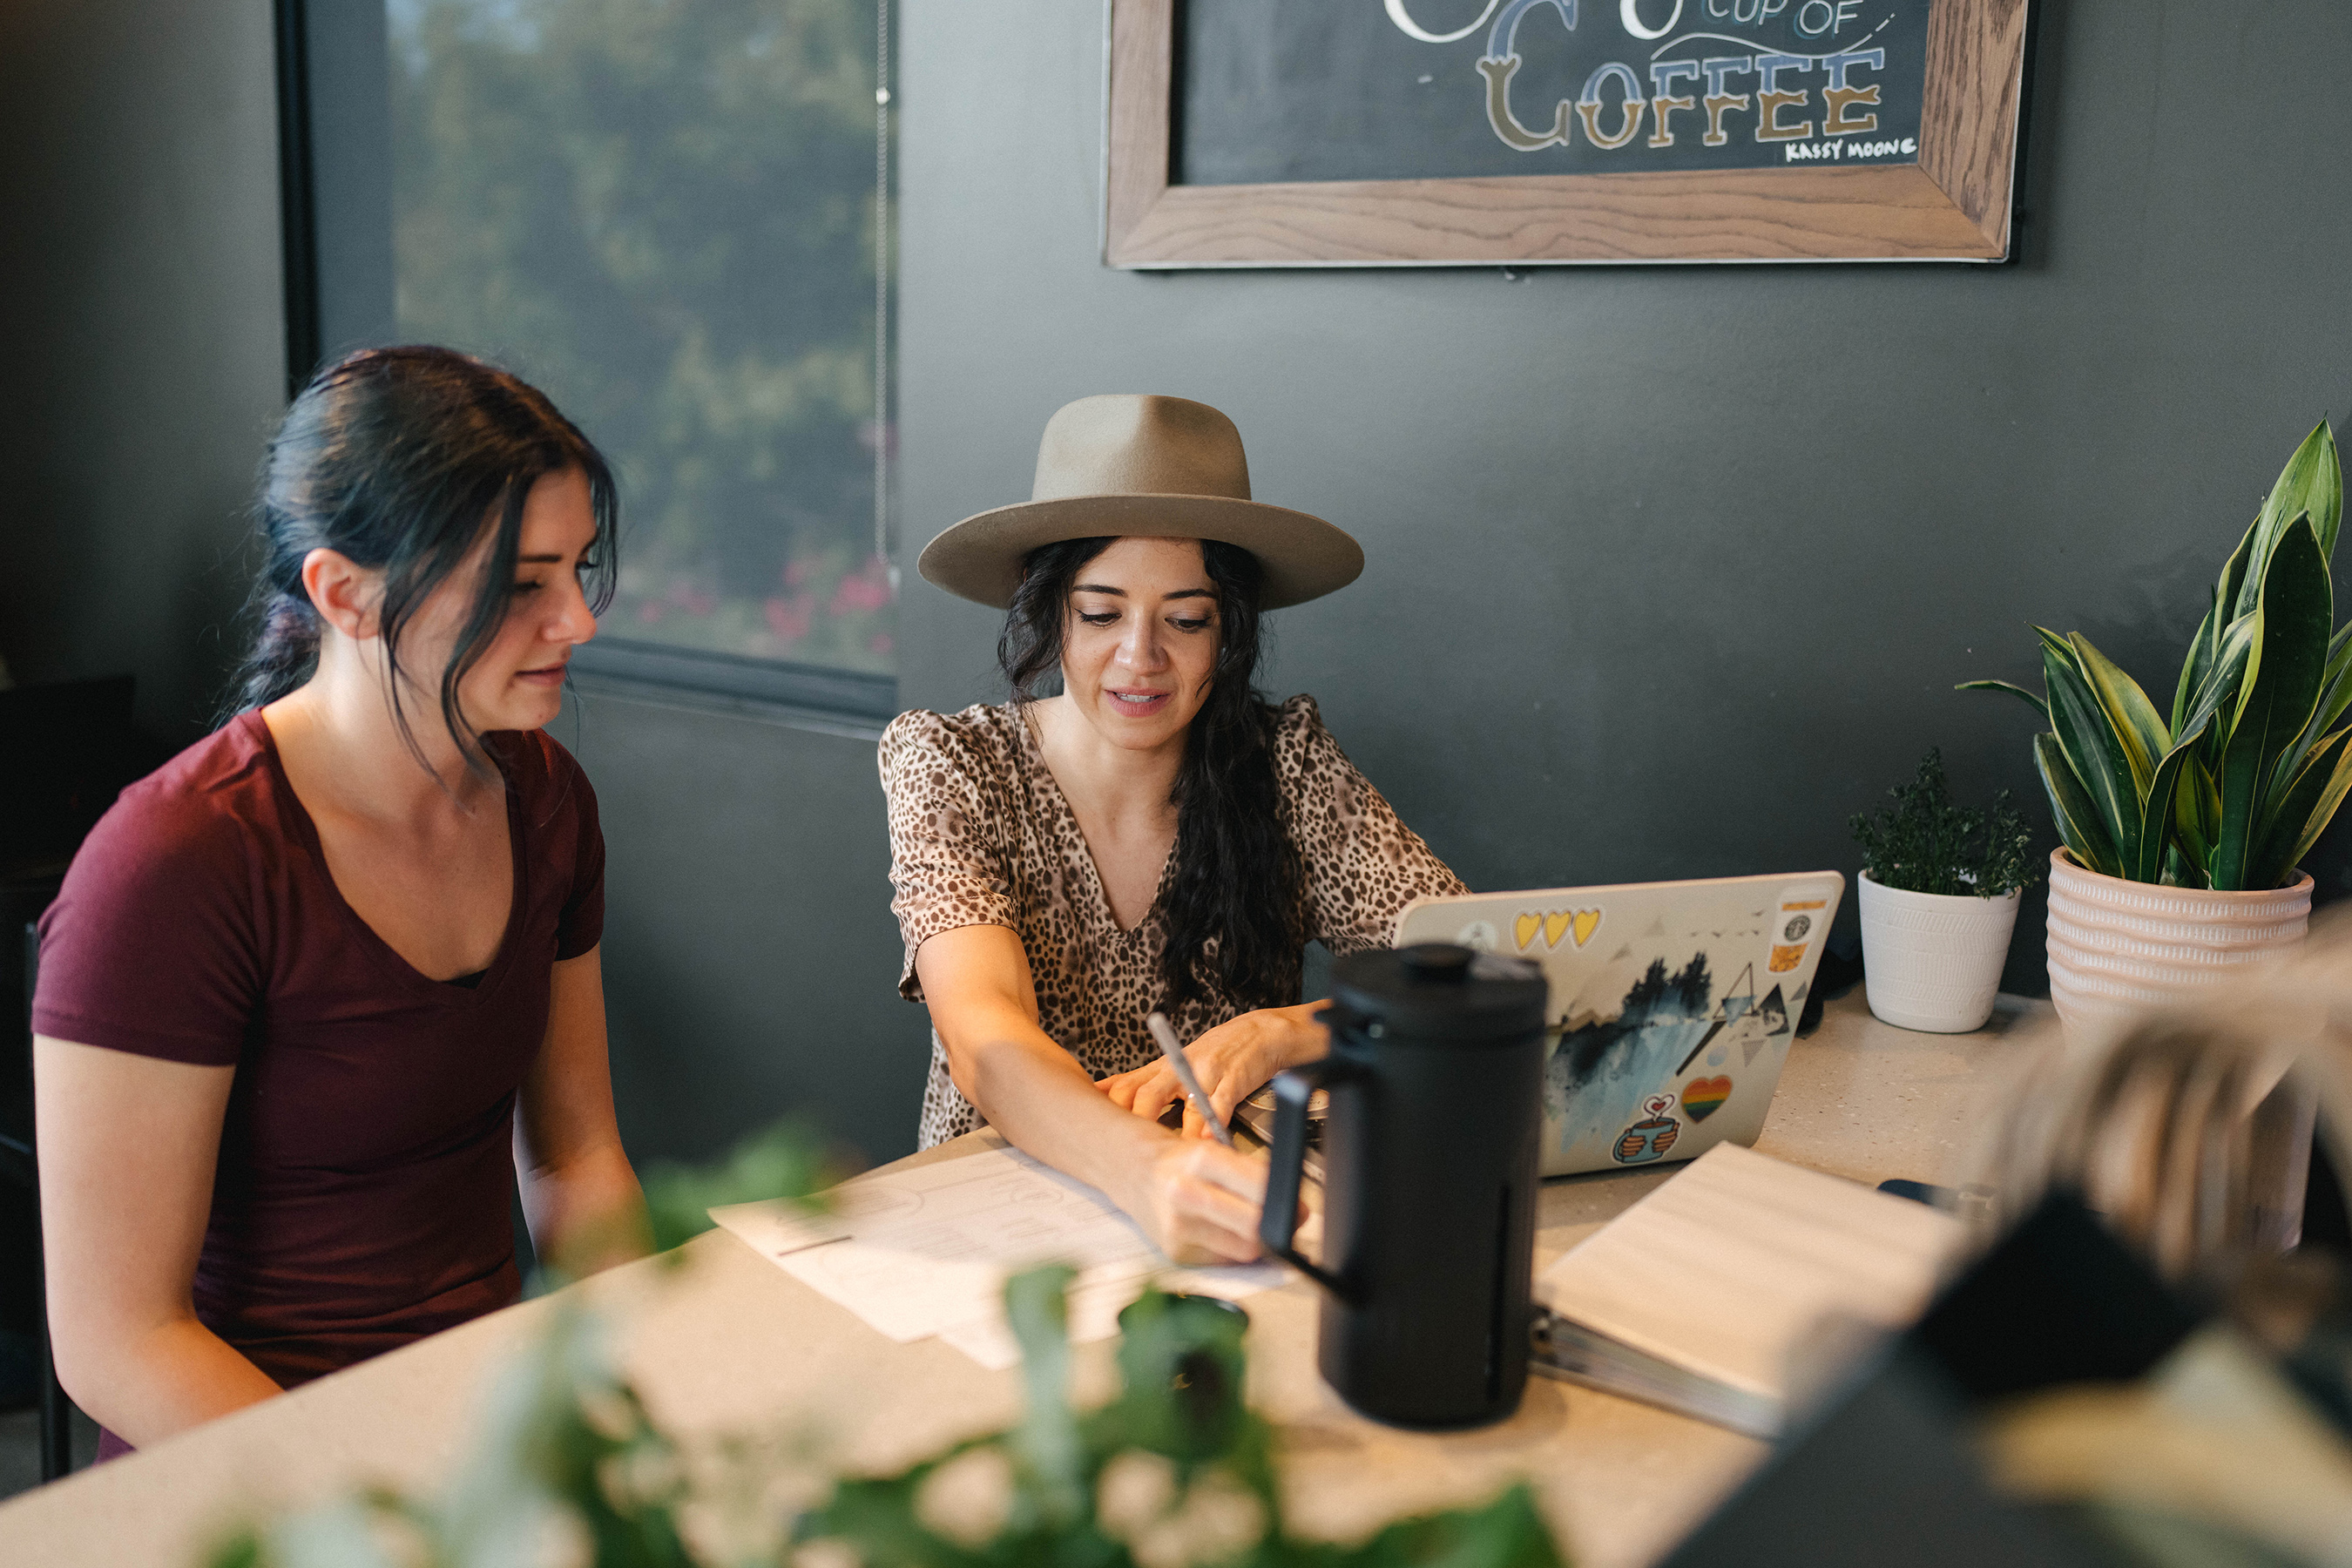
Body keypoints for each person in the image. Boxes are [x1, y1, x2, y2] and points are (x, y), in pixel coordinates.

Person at [32, 347, 645, 1456]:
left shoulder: (545, 799)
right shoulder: (178, 863)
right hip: (253, 1481)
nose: (577, 623)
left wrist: (632, 1387)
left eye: (577, 570)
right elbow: (118, 1339)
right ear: (343, 594)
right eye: (520, 586)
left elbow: (576, 1160)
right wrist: (384, 1516)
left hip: (479, 1437)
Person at [880, 394, 1468, 1264]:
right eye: (1102, 613)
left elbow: (1467, 971)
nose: (1140, 658)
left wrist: (1293, 1031)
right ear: (1051, 615)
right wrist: (1147, 1172)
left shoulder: (1285, 766)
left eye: (1185, 620)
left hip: (1228, 1217)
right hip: (1003, 1224)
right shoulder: (954, 761)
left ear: (1228, 630)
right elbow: (985, 1039)